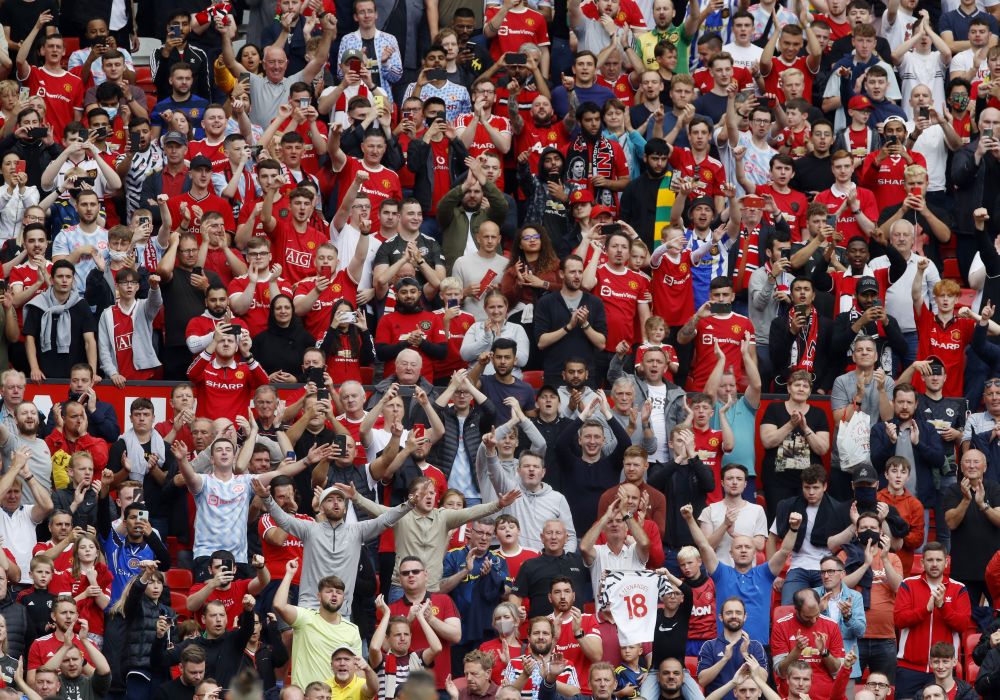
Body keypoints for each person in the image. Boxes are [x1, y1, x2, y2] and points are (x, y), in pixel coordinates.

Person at [682, 503, 799, 645]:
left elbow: (784, 551)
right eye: (738, 547)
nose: (743, 550)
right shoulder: (722, 574)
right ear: (731, 553)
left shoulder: (765, 573)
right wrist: (689, 519)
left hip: (758, 646)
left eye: (748, 547)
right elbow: (704, 546)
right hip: (725, 647)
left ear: (755, 552)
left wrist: (793, 529)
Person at [893, 542, 972, 700]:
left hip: (943, 669)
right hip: (910, 669)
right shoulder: (908, 584)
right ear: (922, 562)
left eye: (938, 560)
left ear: (946, 561)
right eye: (930, 560)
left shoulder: (959, 588)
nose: (934, 564)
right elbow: (899, 620)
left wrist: (942, 606)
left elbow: (963, 625)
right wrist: (926, 609)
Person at [942, 449, 1000, 608]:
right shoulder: (952, 490)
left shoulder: (994, 488)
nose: (972, 466)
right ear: (961, 467)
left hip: (994, 570)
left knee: (997, 620)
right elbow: (951, 523)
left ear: (985, 467)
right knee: (964, 620)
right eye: (967, 462)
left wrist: (983, 505)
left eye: (976, 462)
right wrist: (967, 500)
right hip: (963, 569)